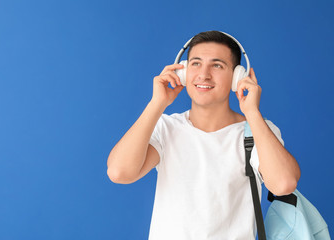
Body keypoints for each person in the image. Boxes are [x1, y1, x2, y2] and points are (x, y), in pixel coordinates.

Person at [107, 30, 301, 239]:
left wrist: (252, 112)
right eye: (196, 63)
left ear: (237, 77)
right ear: (182, 71)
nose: (203, 74)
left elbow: (283, 184)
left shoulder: (257, 131)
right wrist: (157, 103)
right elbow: (120, 173)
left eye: (217, 65)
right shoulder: (166, 128)